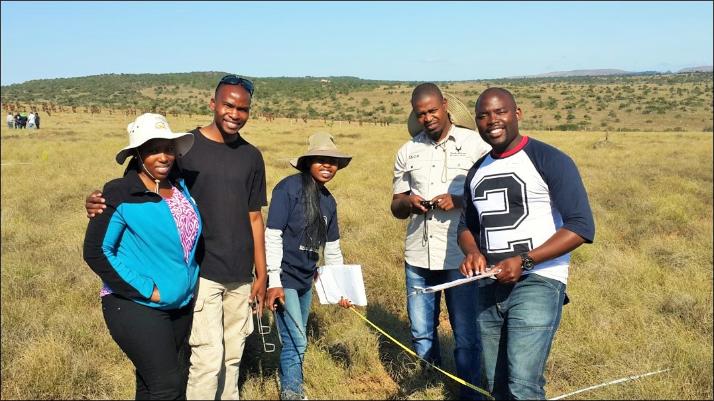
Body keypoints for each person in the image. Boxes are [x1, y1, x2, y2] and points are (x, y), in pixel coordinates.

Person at [85, 74, 268, 400]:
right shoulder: (183, 154)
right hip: (200, 274)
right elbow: (135, 186)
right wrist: (98, 202)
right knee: (203, 360)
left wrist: (262, 273)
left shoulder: (250, 156)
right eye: (228, 105)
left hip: (231, 277)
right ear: (212, 104)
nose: (234, 113)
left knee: (231, 355)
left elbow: (254, 215)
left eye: (243, 109)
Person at [458, 87, 595, 399]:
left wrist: (525, 261)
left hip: (538, 281)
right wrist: (473, 252)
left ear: (517, 114)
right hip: (488, 284)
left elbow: (581, 226)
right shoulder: (476, 171)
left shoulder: (549, 159)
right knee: (496, 384)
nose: (492, 120)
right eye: (483, 115)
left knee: (523, 383)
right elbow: (466, 227)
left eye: (500, 111)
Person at [83, 113, 201, 400]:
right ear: (137, 154)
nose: (164, 156)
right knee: (168, 388)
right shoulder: (120, 192)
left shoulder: (180, 186)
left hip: (180, 305)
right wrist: (148, 289)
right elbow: (96, 251)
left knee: (150, 385)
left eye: (168, 148)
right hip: (135, 304)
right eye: (153, 149)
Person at [390, 83, 491, 399]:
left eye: (432, 110)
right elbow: (396, 205)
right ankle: (428, 385)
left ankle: (470, 391)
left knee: (466, 333)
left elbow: (491, 197)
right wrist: (409, 203)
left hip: (461, 256)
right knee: (421, 331)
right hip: (418, 255)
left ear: (445, 105)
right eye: (421, 114)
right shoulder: (408, 151)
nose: (428, 118)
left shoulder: (476, 146)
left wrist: (458, 200)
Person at [264, 132, 353, 400]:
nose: (328, 166)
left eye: (332, 161)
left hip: (306, 278)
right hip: (284, 277)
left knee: (296, 339)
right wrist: (273, 280)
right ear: (307, 162)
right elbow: (272, 234)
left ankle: (294, 388)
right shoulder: (287, 189)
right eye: (321, 160)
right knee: (297, 339)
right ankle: (292, 393)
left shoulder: (329, 201)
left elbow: (333, 249)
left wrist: (340, 290)